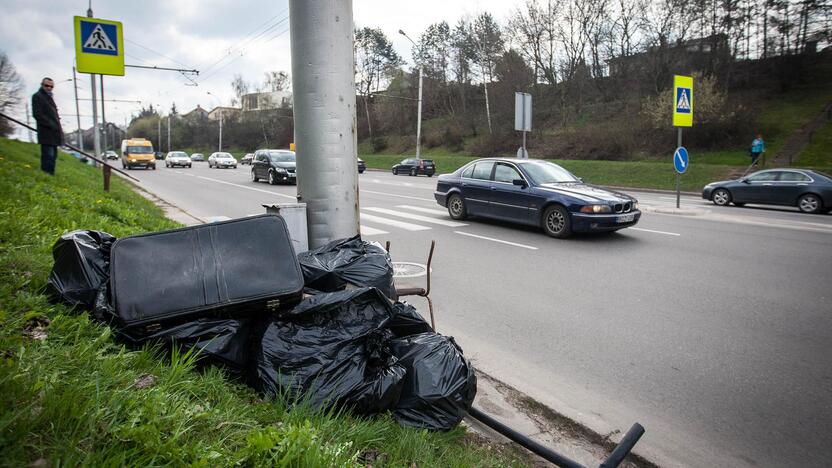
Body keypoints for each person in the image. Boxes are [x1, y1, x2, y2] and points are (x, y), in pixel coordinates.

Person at [31, 77, 63, 175]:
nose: (49, 88)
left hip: (53, 133)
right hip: (46, 132)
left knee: (53, 156)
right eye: (47, 85)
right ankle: (46, 174)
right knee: (48, 155)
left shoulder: (49, 97)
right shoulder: (38, 96)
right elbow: (37, 114)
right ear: (42, 85)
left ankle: (50, 174)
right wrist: (51, 124)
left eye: (51, 86)